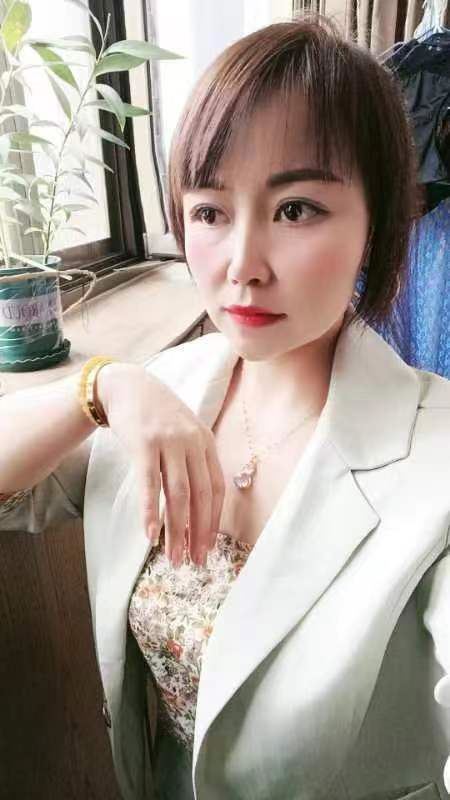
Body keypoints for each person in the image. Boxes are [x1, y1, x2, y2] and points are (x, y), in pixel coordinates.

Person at [1, 14, 449, 800]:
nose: (243, 266)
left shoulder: (434, 458)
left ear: (377, 222)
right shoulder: (161, 395)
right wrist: (100, 386)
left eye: (297, 209)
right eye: (209, 211)